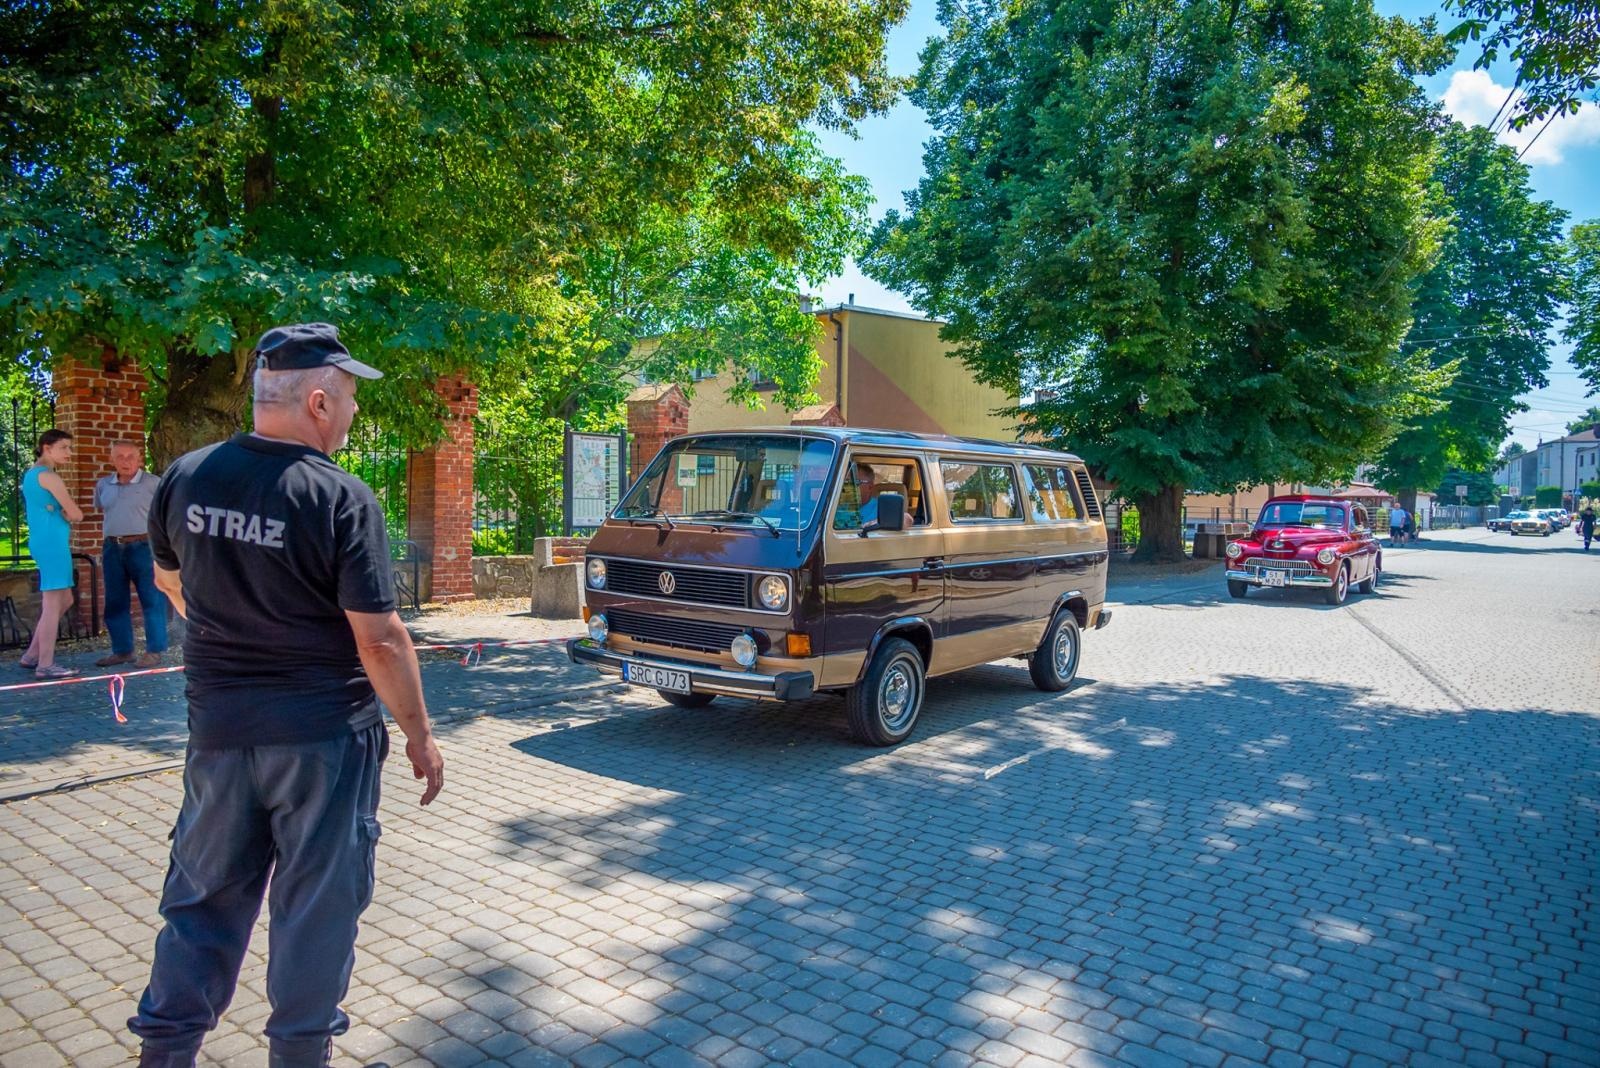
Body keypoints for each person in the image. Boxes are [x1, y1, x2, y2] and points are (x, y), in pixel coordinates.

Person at [128, 323, 445, 1068]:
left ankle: (165, 1055)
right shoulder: (340, 497)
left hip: (219, 731)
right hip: (322, 741)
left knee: (201, 903)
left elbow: (170, 579)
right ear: (317, 401)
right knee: (316, 910)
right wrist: (421, 736)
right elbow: (381, 639)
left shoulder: (187, 477)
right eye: (350, 398)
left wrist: (230, 624)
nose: (355, 412)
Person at [94, 440, 171, 668]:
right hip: (112, 547)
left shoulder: (154, 483)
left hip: (144, 546)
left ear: (140, 459)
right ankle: (122, 651)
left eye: (131, 456)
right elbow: (103, 510)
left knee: (152, 599)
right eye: (120, 456)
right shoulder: (103, 485)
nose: (125, 461)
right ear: (111, 459)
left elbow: (167, 513)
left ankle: (155, 650)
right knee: (115, 601)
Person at [18, 429, 84, 678]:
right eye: (64, 447)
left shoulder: (32, 474)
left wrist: (60, 513)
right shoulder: (49, 476)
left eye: (70, 447)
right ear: (47, 447)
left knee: (64, 600)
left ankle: (31, 655)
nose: (69, 453)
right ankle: (45, 664)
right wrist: (68, 514)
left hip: (45, 541)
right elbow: (76, 513)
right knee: (52, 604)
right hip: (52, 544)